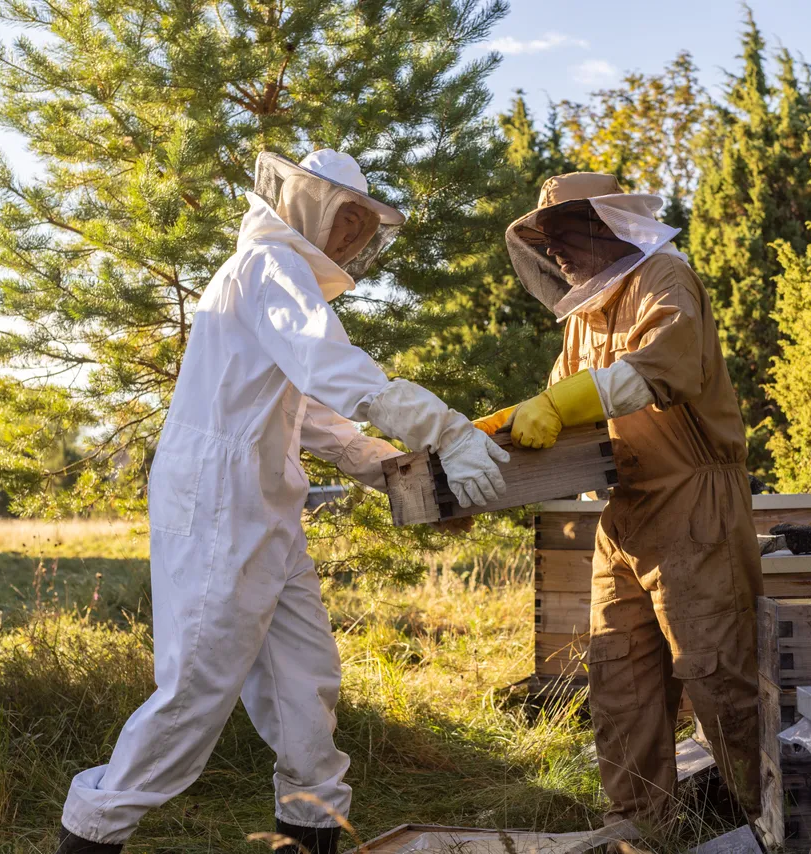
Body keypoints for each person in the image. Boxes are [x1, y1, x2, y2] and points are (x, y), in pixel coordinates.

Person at [57, 150, 508, 854]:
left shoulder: (277, 282)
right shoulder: (270, 266)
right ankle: (92, 830)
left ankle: (310, 836)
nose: (350, 236)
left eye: (361, 225)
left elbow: (315, 418)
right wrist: (447, 429)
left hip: (265, 509)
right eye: (343, 218)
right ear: (302, 204)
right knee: (194, 696)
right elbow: (334, 371)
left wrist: (400, 469)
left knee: (306, 690)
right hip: (220, 508)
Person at [476, 173, 763, 834]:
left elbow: (657, 371)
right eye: (544, 239)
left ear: (606, 225)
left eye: (563, 234)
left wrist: (556, 404)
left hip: (695, 505)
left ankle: (767, 822)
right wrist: (479, 454)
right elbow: (554, 421)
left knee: (718, 679)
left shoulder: (665, 278)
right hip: (624, 515)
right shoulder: (586, 312)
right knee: (620, 681)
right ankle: (638, 830)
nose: (554, 252)